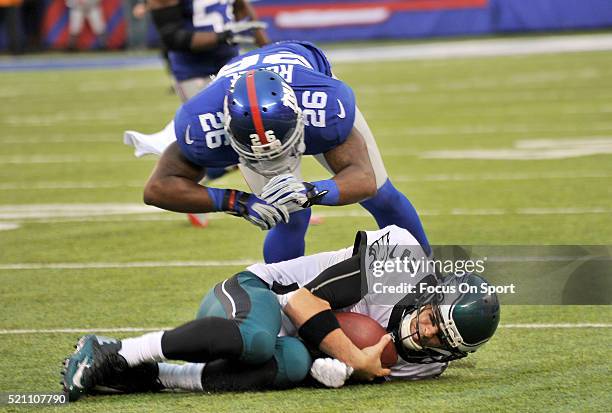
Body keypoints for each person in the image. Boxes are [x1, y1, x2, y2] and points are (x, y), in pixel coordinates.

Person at [61, 224, 501, 401]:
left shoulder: (426, 367)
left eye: (440, 341)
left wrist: (333, 375)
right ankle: (118, 350)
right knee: (255, 341)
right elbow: (301, 301)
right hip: (257, 294)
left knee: (295, 364)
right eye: (430, 321)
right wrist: (353, 358)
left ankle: (149, 380)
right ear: (430, 297)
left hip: (291, 339)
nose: (424, 336)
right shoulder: (400, 262)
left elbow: (325, 358)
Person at [126, 41, 430, 263]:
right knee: (289, 216)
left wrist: (312, 190)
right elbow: (157, 188)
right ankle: (288, 303)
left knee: (381, 196)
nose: (276, 163)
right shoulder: (205, 123)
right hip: (240, 92)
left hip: (300, 76)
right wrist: (236, 201)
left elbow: (364, 179)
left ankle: (426, 282)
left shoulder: (322, 106)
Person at [127, 0, 269, 227]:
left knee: (254, 134)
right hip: (193, 72)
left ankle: (277, 203)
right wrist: (221, 36)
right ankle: (187, 192)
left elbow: (242, 8)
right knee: (210, 140)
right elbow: (172, 37)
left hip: (230, 64)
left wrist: (267, 51)